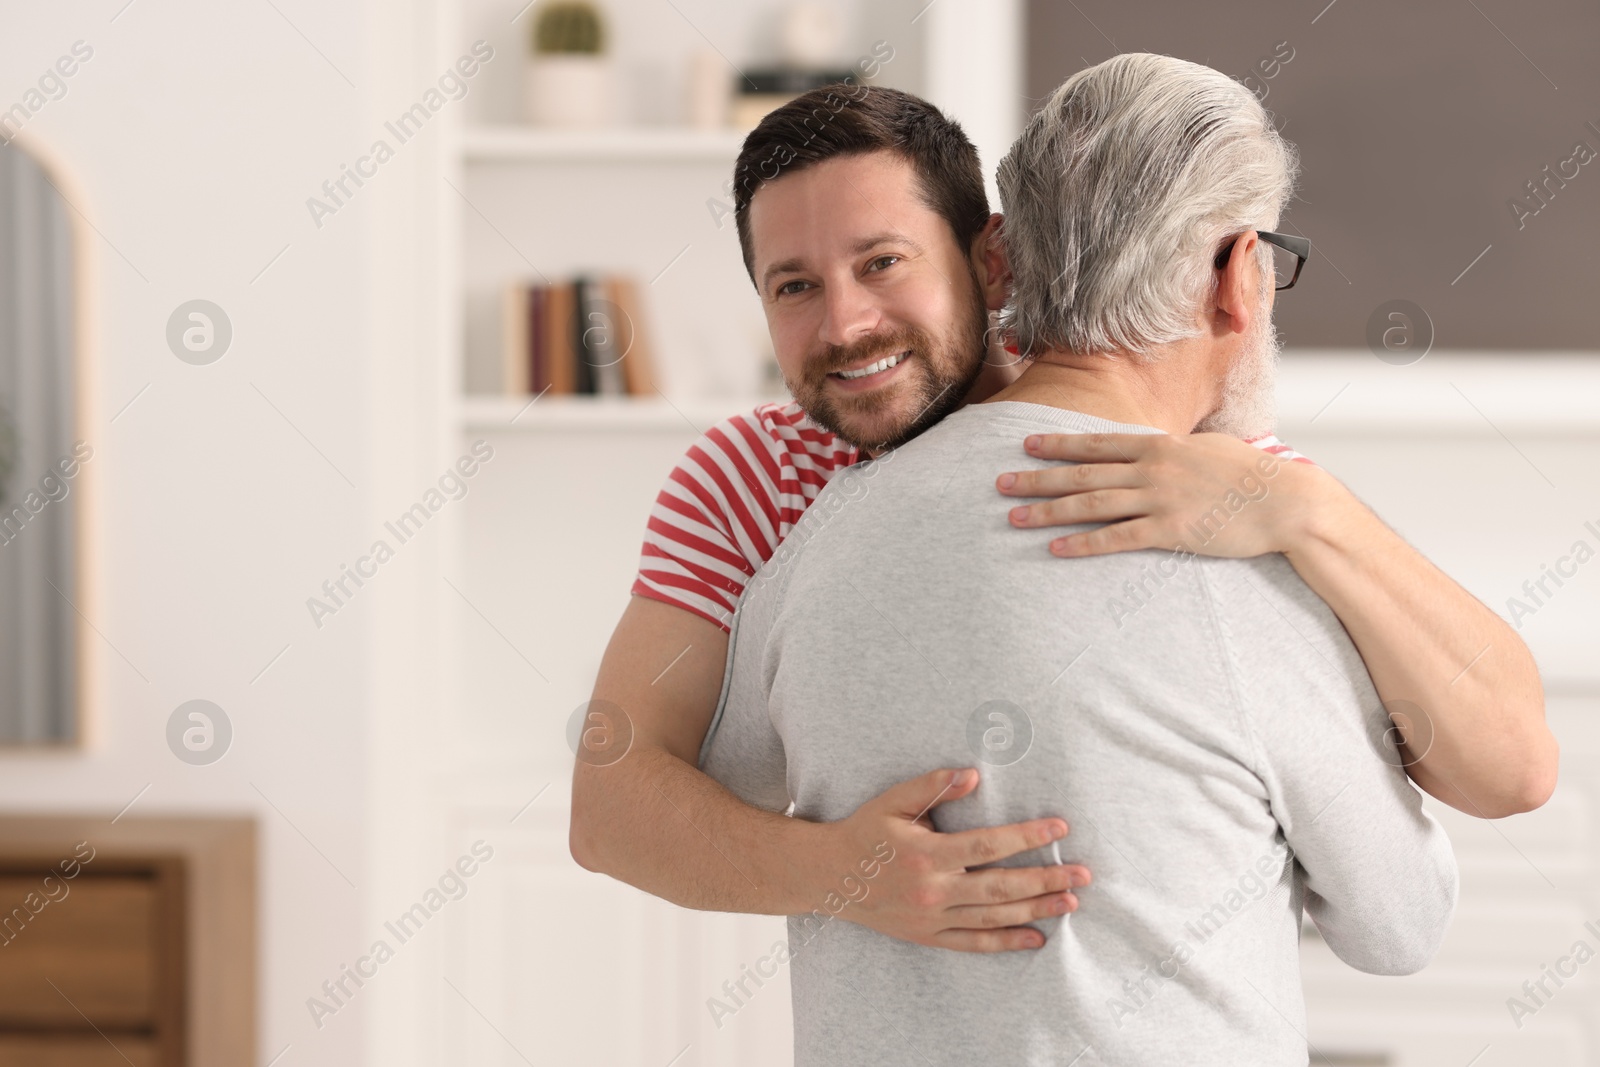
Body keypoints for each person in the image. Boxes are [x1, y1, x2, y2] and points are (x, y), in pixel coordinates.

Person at [568, 73, 1554, 953]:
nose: (844, 324)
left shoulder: (1174, 454)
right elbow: (609, 807)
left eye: (881, 263)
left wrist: (1307, 503)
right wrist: (839, 873)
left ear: (992, 259)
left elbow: (1505, 759)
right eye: (794, 286)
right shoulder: (751, 479)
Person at [699, 53, 1458, 1065]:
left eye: (881, 261)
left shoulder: (810, 541)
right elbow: (1398, 923)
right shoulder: (1236, 559)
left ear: (1008, 258)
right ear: (1241, 279)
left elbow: (713, 786)